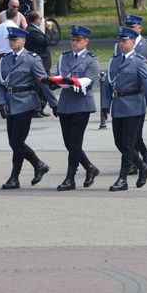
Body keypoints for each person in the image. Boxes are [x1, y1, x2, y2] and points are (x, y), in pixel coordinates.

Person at [102, 26, 147, 191]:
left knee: (128, 143)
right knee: (119, 142)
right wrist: (105, 105)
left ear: (133, 42)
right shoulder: (114, 61)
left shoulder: (139, 61)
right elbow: (107, 85)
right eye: (120, 41)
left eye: (125, 40)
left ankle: (122, 179)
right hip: (118, 106)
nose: (121, 43)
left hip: (134, 106)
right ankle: (143, 167)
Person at [0, 27, 58, 190]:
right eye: (10, 39)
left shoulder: (32, 59)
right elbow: (0, 83)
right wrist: (1, 102)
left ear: (23, 41)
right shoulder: (5, 59)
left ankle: (14, 177)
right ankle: (38, 165)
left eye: (15, 39)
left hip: (25, 102)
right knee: (13, 142)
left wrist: (53, 103)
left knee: (17, 142)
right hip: (10, 103)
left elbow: (42, 82)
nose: (12, 42)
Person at [46, 25, 100, 191]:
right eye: (73, 40)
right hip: (65, 104)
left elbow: (89, 82)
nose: (74, 43)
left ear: (86, 42)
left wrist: (71, 81)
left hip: (82, 103)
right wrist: (50, 82)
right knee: (69, 143)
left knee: (75, 143)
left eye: (78, 40)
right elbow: (60, 76)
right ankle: (90, 167)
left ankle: (70, 178)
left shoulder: (91, 60)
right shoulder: (64, 57)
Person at [113, 14, 147, 171]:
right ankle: (142, 157)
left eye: (133, 27)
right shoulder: (119, 46)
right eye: (128, 27)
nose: (130, 30)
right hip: (122, 97)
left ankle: (134, 163)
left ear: (140, 28)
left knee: (134, 132)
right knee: (130, 135)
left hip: (139, 95)